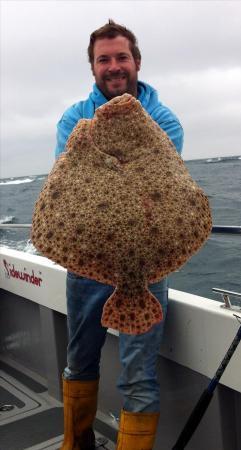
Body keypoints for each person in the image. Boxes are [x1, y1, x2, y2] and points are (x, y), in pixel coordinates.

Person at [55, 20, 184, 450]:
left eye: (121, 57)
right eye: (103, 59)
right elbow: (65, 187)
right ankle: (76, 442)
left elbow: (167, 193)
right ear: (92, 68)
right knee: (79, 362)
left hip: (144, 269)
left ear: (137, 62)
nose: (113, 66)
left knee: (139, 377)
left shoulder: (163, 120)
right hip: (87, 266)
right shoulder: (74, 119)